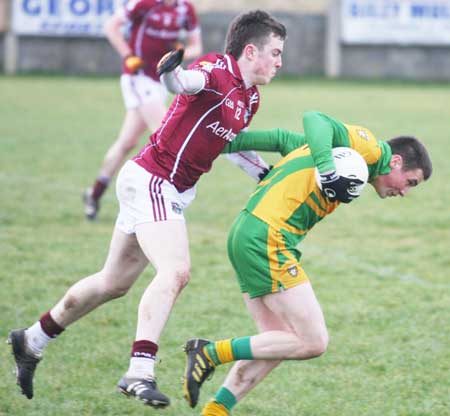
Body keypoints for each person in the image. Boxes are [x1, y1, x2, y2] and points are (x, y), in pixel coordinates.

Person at [8, 10, 287, 408]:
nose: (279, 62)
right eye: (275, 53)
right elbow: (184, 82)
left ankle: (32, 339)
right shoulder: (215, 68)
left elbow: (232, 145)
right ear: (250, 51)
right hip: (154, 180)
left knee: (113, 282)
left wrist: (267, 174)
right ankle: (140, 371)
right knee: (176, 271)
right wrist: (171, 71)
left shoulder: (250, 97)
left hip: (159, 186)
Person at [182, 111, 433, 415]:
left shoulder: (339, 153)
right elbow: (316, 119)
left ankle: (216, 411)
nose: (404, 191)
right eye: (410, 182)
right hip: (267, 237)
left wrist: (225, 143)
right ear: (395, 163)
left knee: (279, 341)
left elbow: (285, 140)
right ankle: (208, 352)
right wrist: (327, 171)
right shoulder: (370, 149)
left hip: (248, 232)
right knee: (313, 342)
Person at [83, 0, 203, 220]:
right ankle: (164, 198)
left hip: (161, 82)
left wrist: (179, 53)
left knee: (127, 142)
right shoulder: (145, 3)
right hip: (137, 77)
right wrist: (128, 56)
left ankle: (93, 194)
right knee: (166, 131)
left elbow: (197, 47)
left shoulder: (185, 9)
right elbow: (111, 27)